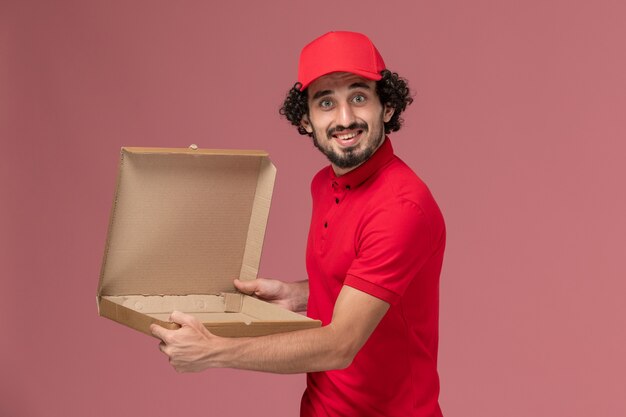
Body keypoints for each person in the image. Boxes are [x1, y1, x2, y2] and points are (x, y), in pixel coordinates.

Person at [150, 31, 446, 417]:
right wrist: (298, 295)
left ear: (386, 107)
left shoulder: (402, 207)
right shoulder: (325, 184)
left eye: (359, 97)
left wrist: (213, 350)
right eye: (327, 102)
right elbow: (363, 283)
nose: (345, 119)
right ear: (306, 120)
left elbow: (340, 344)